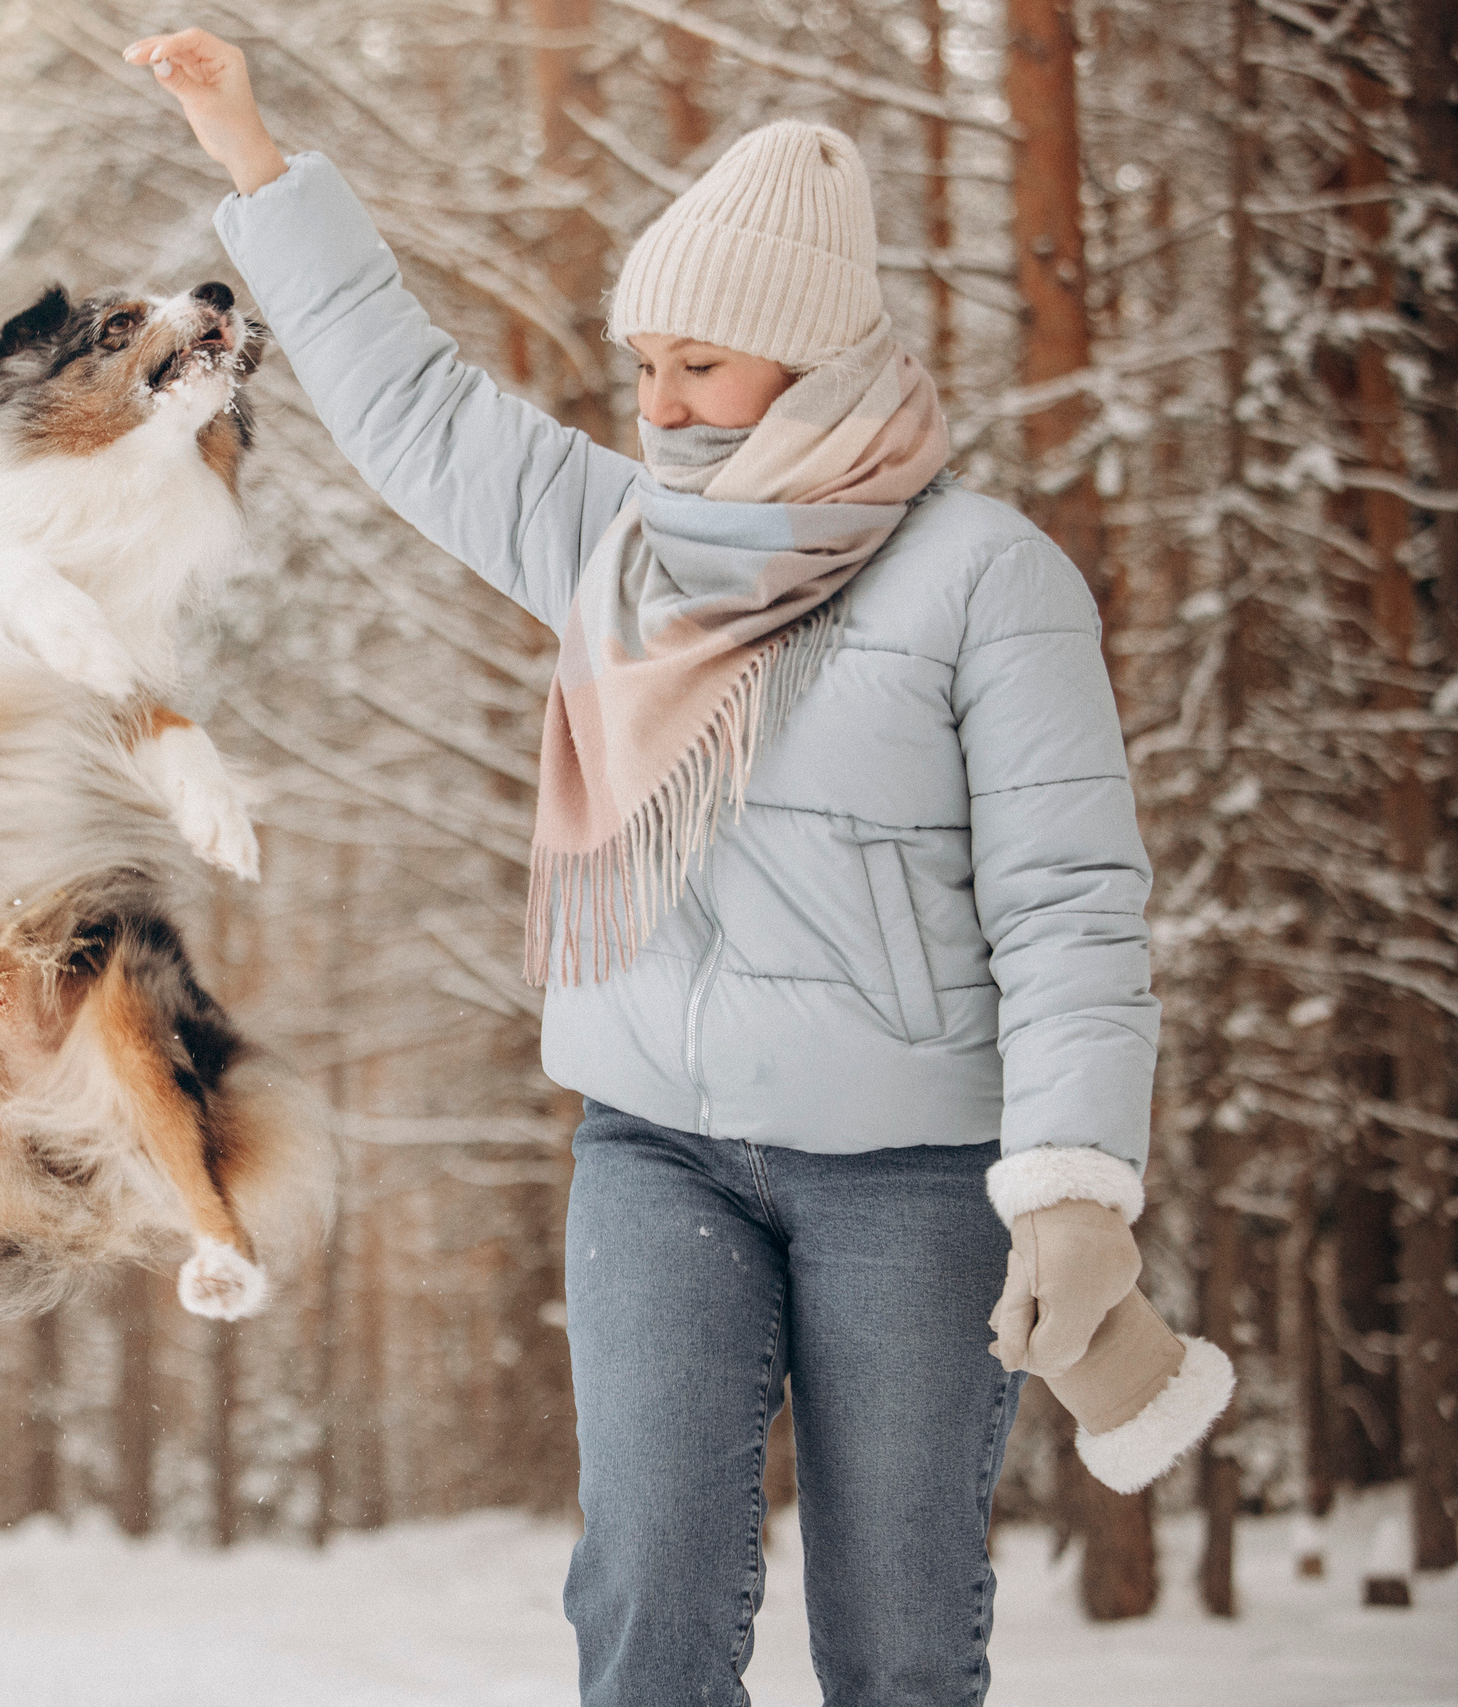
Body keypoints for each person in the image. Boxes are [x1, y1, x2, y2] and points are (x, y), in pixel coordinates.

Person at [126, 29, 1168, 1707]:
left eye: (701, 368)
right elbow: (412, 403)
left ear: (812, 366)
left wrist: (1068, 1180)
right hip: (656, 1149)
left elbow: (1069, 904)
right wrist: (250, 151)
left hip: (907, 1170)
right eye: (644, 368)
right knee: (649, 1607)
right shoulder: (623, 546)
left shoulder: (989, 579)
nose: (658, 404)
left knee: (899, 1638)